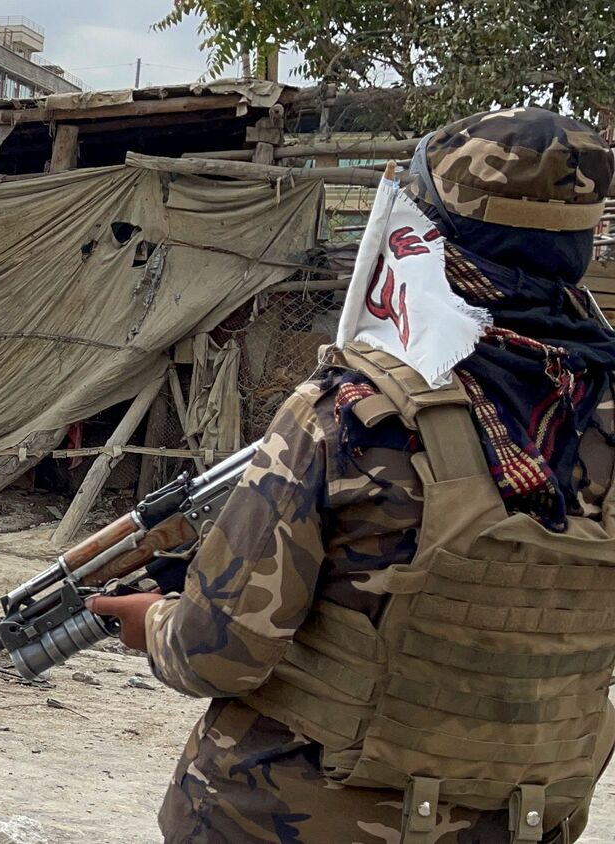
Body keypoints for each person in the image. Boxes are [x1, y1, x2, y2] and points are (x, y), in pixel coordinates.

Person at [87, 107, 615, 843]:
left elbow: (221, 653)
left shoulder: (348, 415)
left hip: (288, 818)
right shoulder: (597, 414)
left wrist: (154, 625)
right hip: (520, 821)